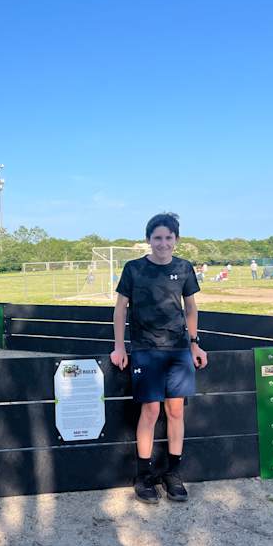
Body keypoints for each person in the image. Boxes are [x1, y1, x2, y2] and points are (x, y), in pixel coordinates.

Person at [110, 212, 208, 504]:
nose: (163, 243)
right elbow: (120, 310)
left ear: (176, 240)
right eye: (157, 238)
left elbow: (190, 309)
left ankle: (173, 474)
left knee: (176, 411)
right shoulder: (134, 269)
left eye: (168, 237)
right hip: (145, 350)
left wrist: (194, 344)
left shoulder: (184, 268)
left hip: (178, 351)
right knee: (151, 412)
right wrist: (119, 346)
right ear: (148, 240)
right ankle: (144, 475)